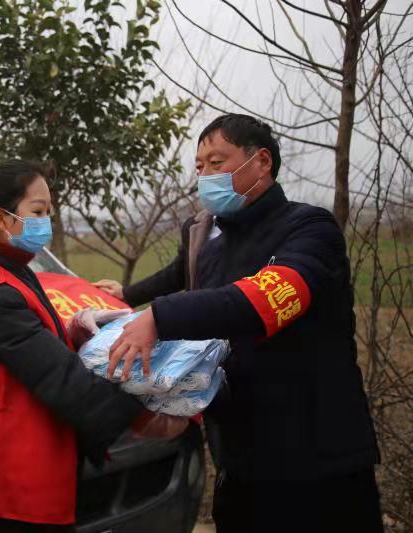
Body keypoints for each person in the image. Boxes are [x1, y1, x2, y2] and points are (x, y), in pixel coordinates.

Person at [101, 114, 382, 533]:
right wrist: (127, 298)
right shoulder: (212, 245)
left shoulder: (309, 229)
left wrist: (159, 315)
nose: (205, 175)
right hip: (241, 457)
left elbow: (263, 300)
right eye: (200, 167)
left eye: (217, 163)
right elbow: (182, 280)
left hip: (319, 460)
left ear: (261, 162)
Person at [0, 155, 188, 533]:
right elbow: (59, 377)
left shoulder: (8, 268)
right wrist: (145, 419)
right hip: (13, 477)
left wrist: (72, 331)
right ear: (3, 219)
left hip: (24, 459)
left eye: (49, 211)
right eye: (38, 211)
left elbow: (30, 344)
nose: (47, 221)